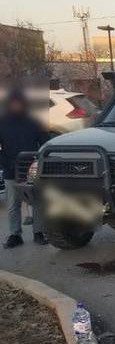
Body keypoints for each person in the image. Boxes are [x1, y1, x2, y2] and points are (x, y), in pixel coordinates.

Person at [0, 89, 49, 247]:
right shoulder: (2, 122)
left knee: (36, 202)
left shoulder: (33, 122)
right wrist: (4, 163)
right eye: (13, 103)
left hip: (32, 171)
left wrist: (40, 163)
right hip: (10, 170)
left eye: (19, 102)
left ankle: (38, 232)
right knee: (13, 205)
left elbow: (45, 144)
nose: (16, 105)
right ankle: (15, 235)